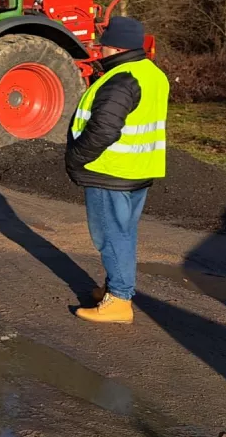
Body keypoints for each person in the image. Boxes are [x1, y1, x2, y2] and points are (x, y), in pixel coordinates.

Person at [66, 16, 169, 325]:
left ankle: (119, 300)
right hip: (138, 169)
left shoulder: (121, 79)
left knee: (110, 236)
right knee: (123, 232)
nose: (99, 50)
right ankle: (114, 288)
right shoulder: (152, 73)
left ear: (112, 47)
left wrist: (76, 159)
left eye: (103, 45)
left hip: (109, 171)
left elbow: (103, 129)